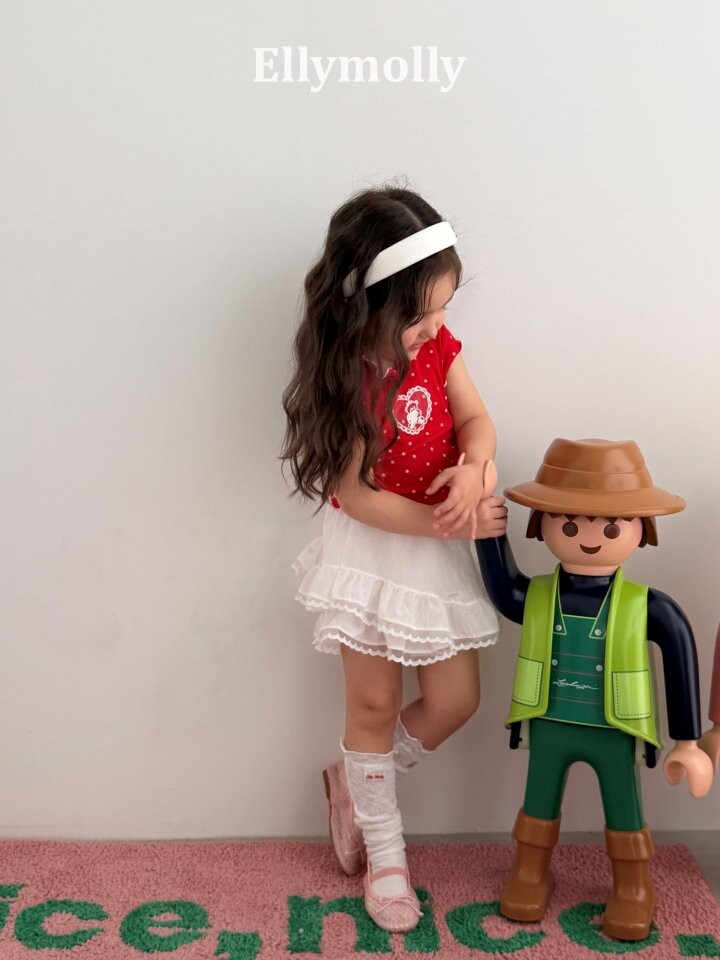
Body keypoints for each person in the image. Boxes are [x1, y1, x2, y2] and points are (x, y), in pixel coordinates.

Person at [281, 185, 507, 932]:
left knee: (456, 700)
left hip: (436, 544)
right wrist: (446, 526)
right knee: (373, 706)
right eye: (419, 314)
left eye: (443, 308)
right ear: (366, 306)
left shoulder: (438, 348)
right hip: (376, 547)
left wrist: (474, 469)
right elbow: (355, 495)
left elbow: (476, 420)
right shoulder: (349, 375)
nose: (434, 326)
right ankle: (385, 855)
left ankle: (353, 783)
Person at [475, 437, 713, 942]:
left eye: (609, 527)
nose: (589, 539)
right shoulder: (540, 596)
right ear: (543, 524)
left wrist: (688, 742)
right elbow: (506, 592)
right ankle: (530, 872)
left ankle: (632, 886)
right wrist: (487, 538)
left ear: (639, 528)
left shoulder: (647, 605)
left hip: (616, 728)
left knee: (624, 806)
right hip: (549, 721)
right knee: (538, 801)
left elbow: (680, 654)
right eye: (569, 525)